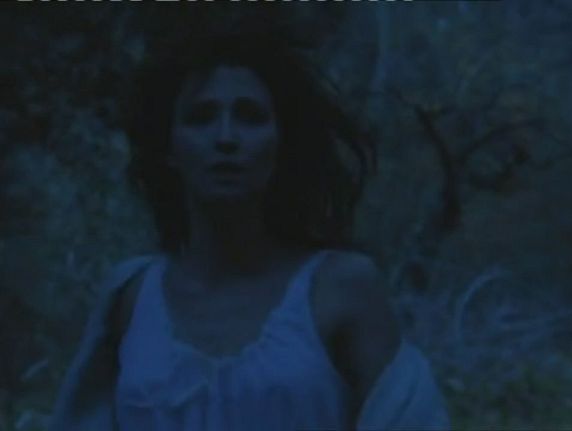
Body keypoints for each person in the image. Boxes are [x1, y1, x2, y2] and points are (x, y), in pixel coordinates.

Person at [49, 26, 450, 430]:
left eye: (250, 117)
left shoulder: (340, 288)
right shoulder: (132, 297)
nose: (226, 138)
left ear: (281, 142)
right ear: (169, 147)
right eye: (201, 117)